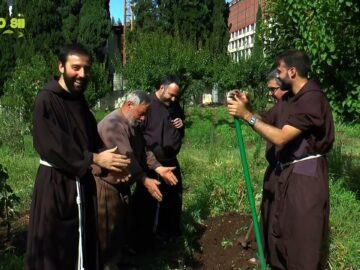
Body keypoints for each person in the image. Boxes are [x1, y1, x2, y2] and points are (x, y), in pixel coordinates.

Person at [25, 43, 130, 270]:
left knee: (82, 245)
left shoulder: (79, 102)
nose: (82, 74)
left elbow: (90, 139)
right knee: (57, 249)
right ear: (61, 67)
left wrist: (110, 164)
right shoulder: (47, 100)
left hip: (81, 184)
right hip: (56, 187)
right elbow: (51, 145)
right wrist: (93, 159)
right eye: (76, 68)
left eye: (87, 68)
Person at [228, 49, 334, 270]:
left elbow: (280, 137)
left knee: (301, 237)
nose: (277, 75)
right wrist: (247, 108)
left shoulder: (312, 99)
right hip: (287, 173)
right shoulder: (290, 99)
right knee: (281, 232)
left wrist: (246, 116)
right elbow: (267, 122)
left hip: (306, 176)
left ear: (292, 72)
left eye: (280, 71)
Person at [95, 90, 178, 267]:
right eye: (142, 113)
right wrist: (144, 180)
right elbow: (127, 158)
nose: (143, 118)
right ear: (129, 105)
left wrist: (159, 168)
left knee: (121, 233)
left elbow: (145, 151)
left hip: (121, 188)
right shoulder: (113, 124)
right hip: (106, 188)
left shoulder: (132, 124)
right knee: (107, 237)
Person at [132, 75, 185, 247]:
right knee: (147, 201)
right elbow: (139, 136)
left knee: (173, 199)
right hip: (151, 162)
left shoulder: (174, 105)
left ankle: (168, 235)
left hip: (171, 160)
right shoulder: (148, 105)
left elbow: (180, 129)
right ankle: (142, 240)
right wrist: (153, 163)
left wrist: (181, 124)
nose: (174, 99)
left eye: (176, 96)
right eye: (171, 95)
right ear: (161, 88)